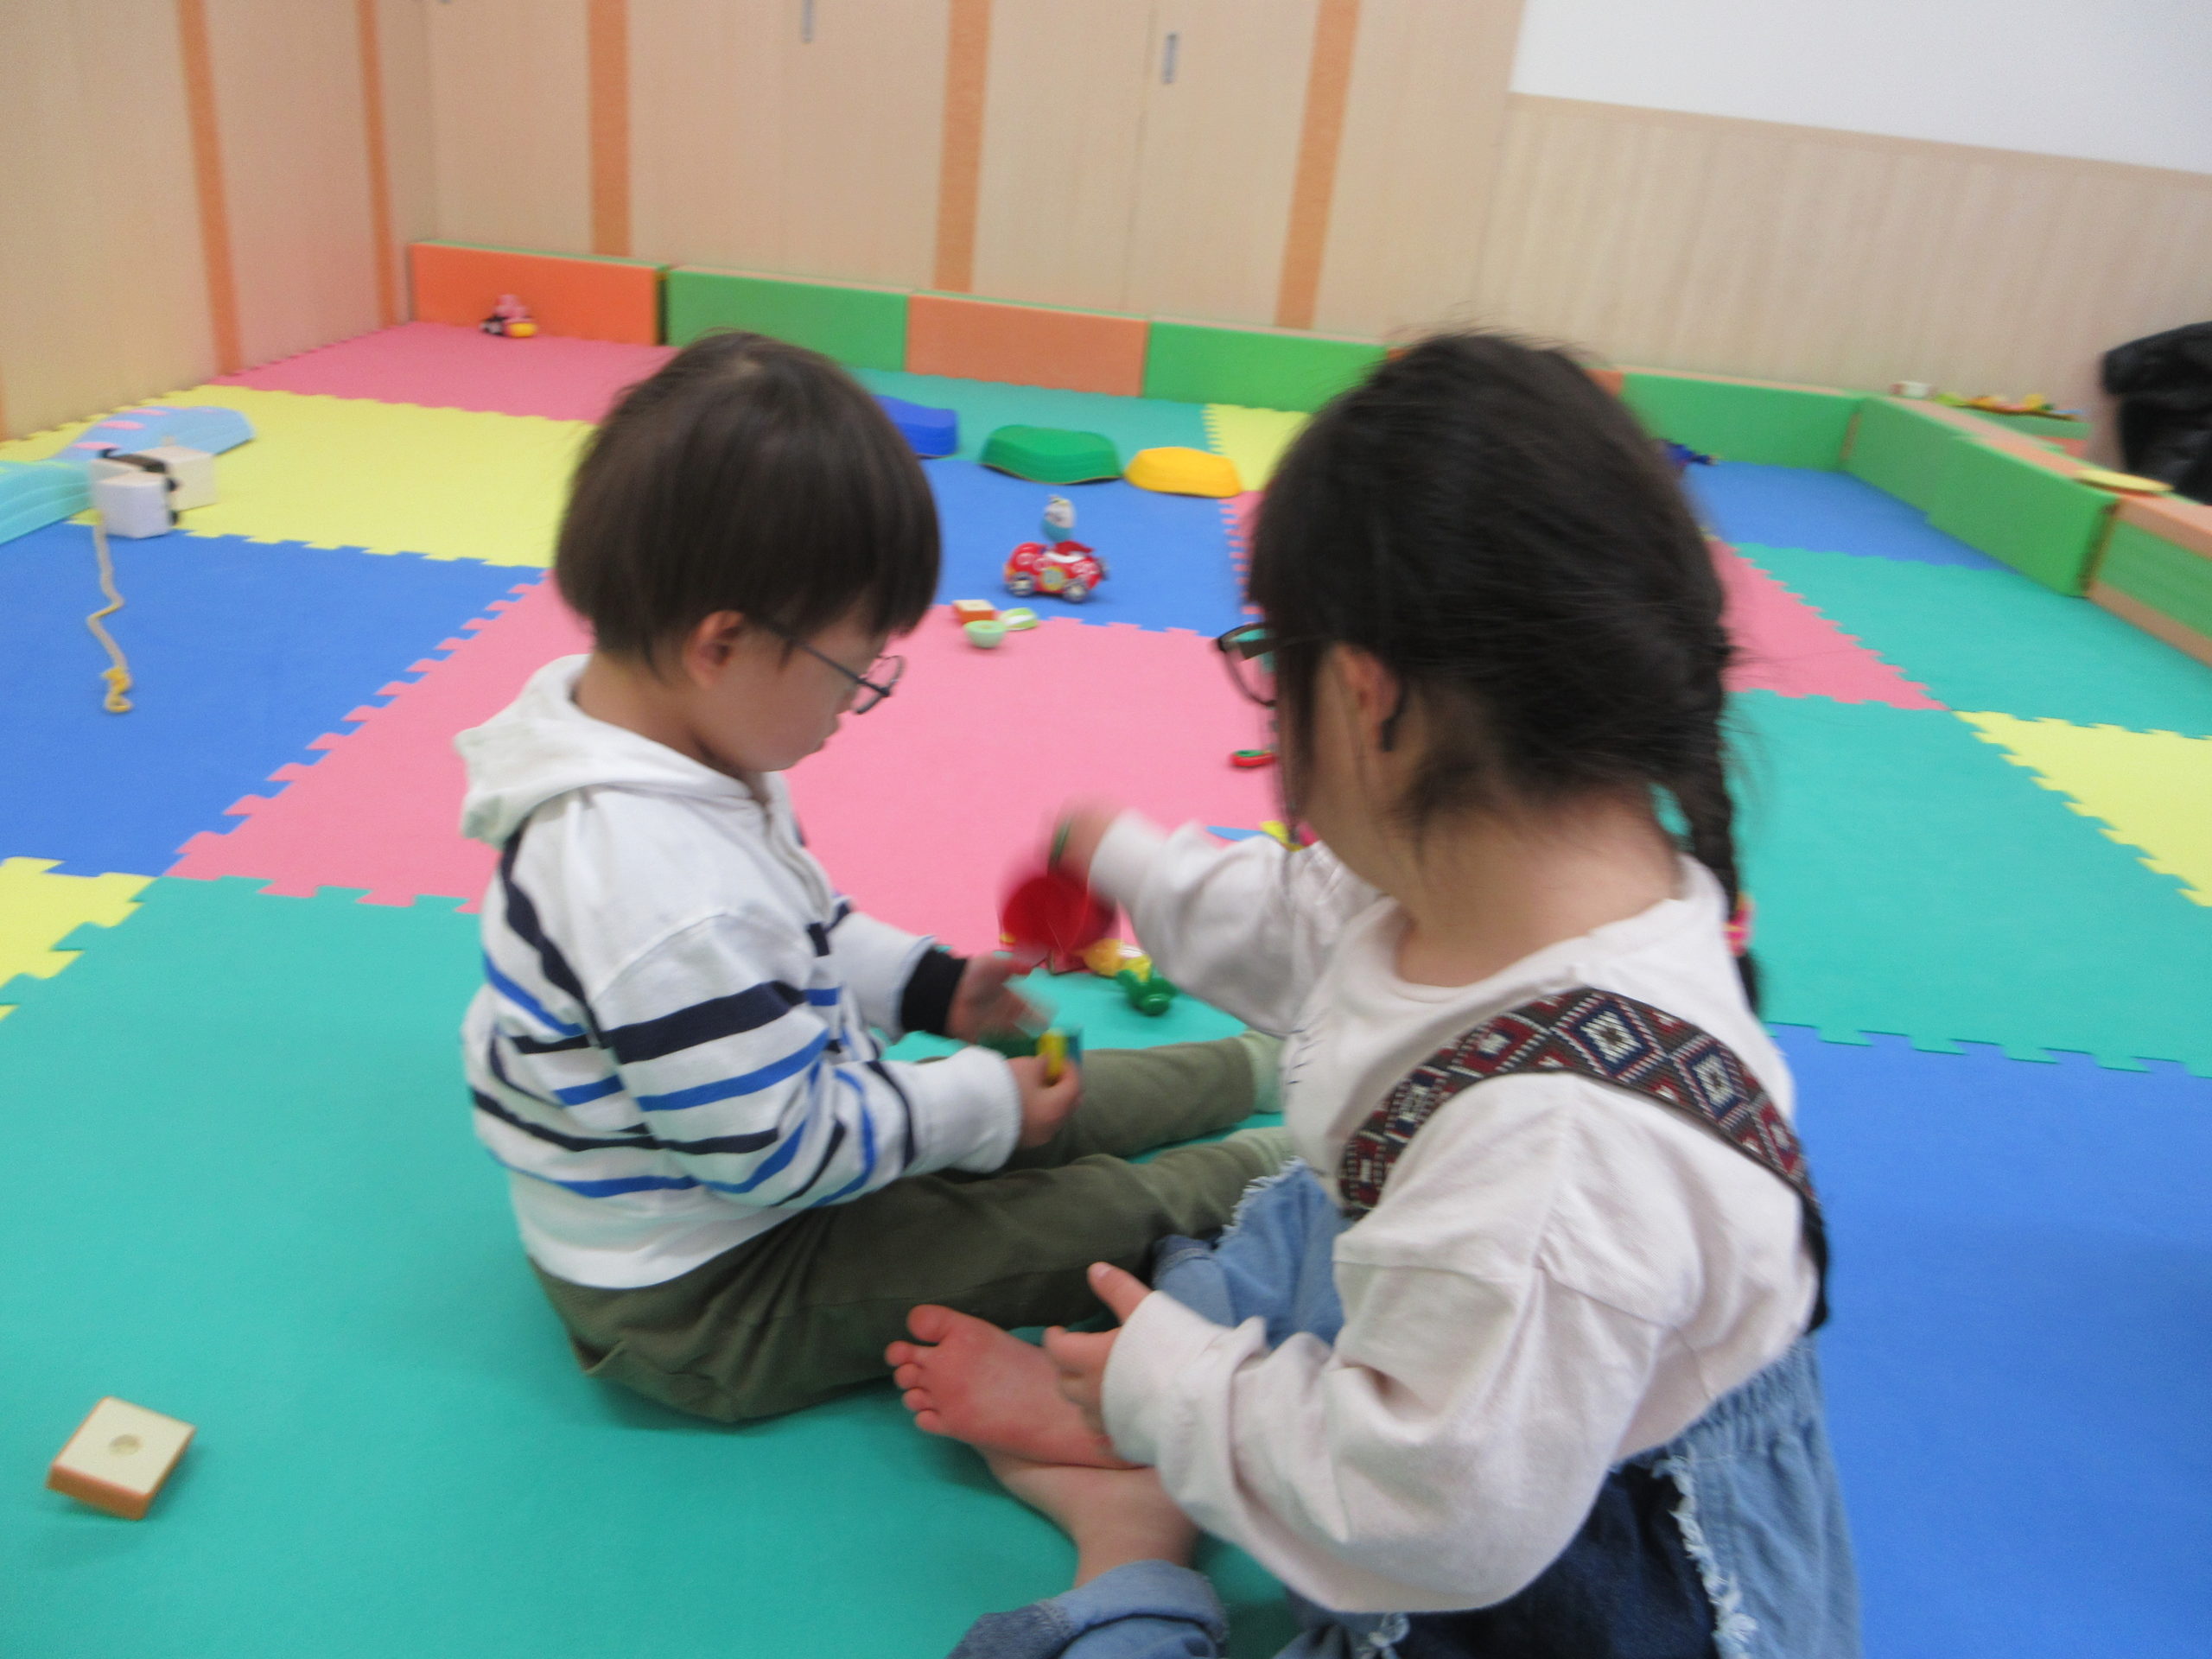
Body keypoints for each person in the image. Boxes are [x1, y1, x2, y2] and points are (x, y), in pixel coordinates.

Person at [888, 333, 1861, 1656]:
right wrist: (1123, 858)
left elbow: (1433, 1515)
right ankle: (1187, 1416)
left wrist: (1171, 1394)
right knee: (1312, 1206)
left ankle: (1137, 1555)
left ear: (1363, 694)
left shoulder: (1562, 1155)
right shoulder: (1493, 870)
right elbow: (1294, 925)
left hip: (1556, 1543)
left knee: (1321, 1272)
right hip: (1510, 1361)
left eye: (1266, 665)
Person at [455, 331, 1287, 1423]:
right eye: (852, 670)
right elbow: (776, 1150)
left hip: (767, 1146)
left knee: (1055, 1092)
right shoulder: (652, 882)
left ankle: (1263, 1067)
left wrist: (933, 989)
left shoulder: (670, 738)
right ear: (722, 645)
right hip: (707, 1289)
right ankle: (1284, 1170)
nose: (858, 702)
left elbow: (800, 926)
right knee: (1065, 1217)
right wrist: (979, 1107)